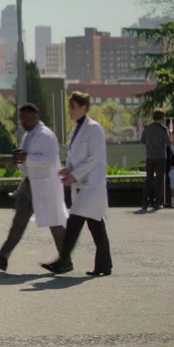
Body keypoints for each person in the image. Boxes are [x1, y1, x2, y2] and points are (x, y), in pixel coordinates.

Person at [0, 103, 67, 271]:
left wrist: (26, 157)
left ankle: (65, 259)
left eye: (25, 118)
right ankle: (2, 257)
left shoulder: (46, 135)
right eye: (20, 119)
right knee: (18, 222)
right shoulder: (28, 136)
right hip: (29, 184)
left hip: (45, 186)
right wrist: (20, 160)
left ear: (35, 116)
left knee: (54, 223)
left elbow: (49, 160)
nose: (22, 122)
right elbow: (27, 159)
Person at [44, 92, 113, 276]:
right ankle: (104, 265)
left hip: (92, 185)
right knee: (96, 225)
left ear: (84, 108)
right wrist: (67, 169)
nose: (70, 111)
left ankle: (63, 261)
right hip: (83, 186)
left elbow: (94, 158)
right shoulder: (76, 130)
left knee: (74, 222)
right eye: (70, 107)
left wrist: (74, 175)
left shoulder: (94, 129)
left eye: (73, 107)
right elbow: (74, 156)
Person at [140, 108, 171, 212]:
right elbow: (168, 143)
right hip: (160, 157)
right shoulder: (163, 130)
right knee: (159, 180)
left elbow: (142, 140)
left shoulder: (147, 128)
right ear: (162, 118)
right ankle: (157, 203)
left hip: (150, 156)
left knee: (148, 179)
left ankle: (145, 203)